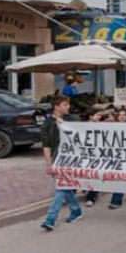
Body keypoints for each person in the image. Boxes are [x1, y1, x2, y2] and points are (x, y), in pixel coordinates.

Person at [39, 96, 82, 231]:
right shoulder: (47, 123)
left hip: (71, 160)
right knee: (65, 188)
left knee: (61, 188)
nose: (68, 107)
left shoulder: (72, 120)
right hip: (56, 159)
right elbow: (46, 145)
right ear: (56, 106)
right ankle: (76, 210)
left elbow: (81, 135)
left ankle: (51, 218)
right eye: (65, 104)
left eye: (68, 104)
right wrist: (48, 163)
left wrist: (64, 125)